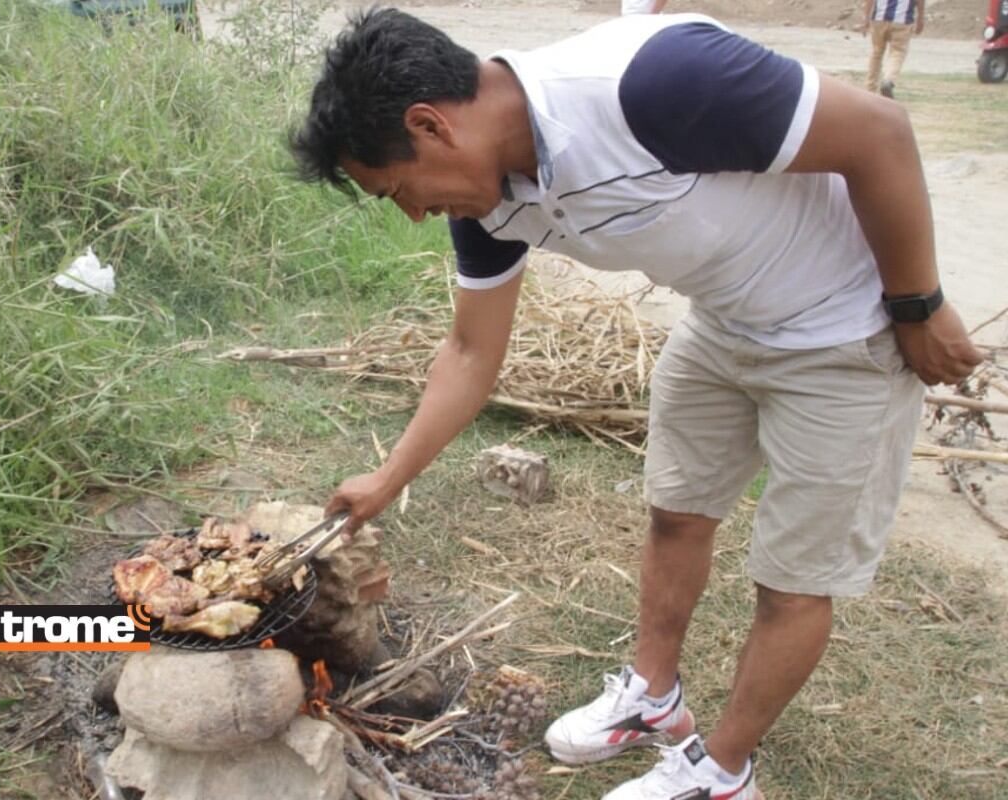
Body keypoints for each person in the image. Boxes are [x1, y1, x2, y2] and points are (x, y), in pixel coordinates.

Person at [290, 8, 982, 799]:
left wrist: (917, 304)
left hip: (842, 330)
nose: (414, 214)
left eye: (399, 191)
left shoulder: (653, 82)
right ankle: (654, 696)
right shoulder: (491, 201)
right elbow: (473, 351)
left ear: (430, 125)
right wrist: (385, 480)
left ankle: (723, 770)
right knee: (677, 511)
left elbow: (880, 132)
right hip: (725, 320)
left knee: (793, 578)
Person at [863, 0, 925, 98]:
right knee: (897, 53)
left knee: (876, 53)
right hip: (902, 20)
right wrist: (921, 18)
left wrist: (866, 17)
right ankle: (889, 79)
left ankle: (870, 89)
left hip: (879, 18)